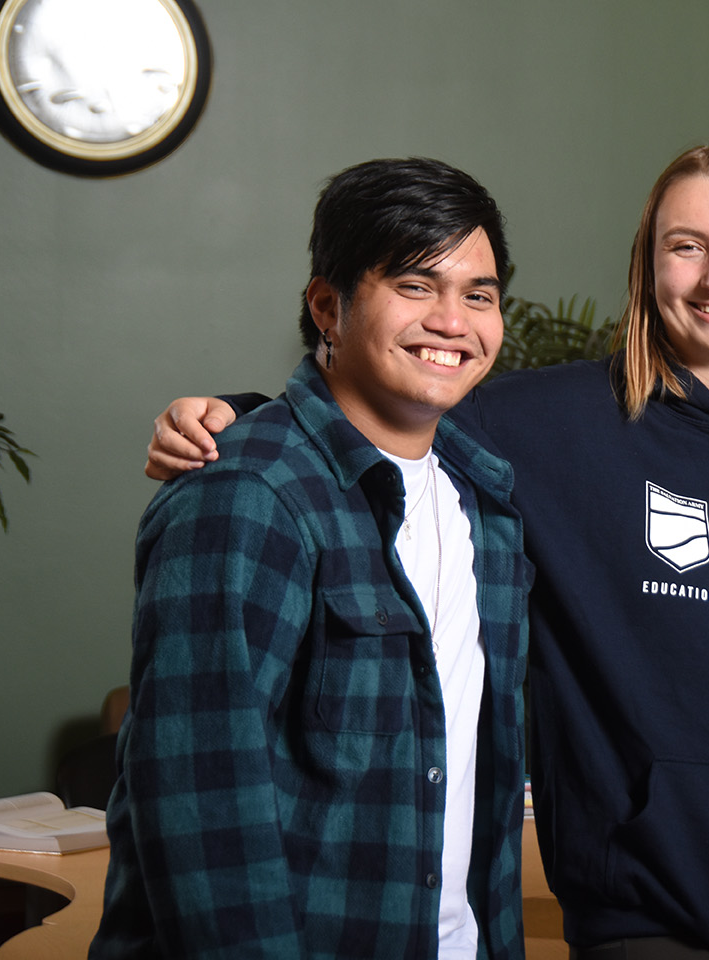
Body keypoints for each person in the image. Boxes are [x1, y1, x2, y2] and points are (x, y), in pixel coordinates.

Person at [143, 143, 709, 960]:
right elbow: (383, 408)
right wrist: (235, 420)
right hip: (657, 905)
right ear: (646, 268)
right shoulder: (546, 423)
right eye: (685, 246)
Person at [92, 158, 532, 959]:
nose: (452, 321)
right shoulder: (245, 496)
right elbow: (201, 811)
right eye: (414, 286)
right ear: (328, 305)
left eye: (479, 294)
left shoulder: (487, 501)